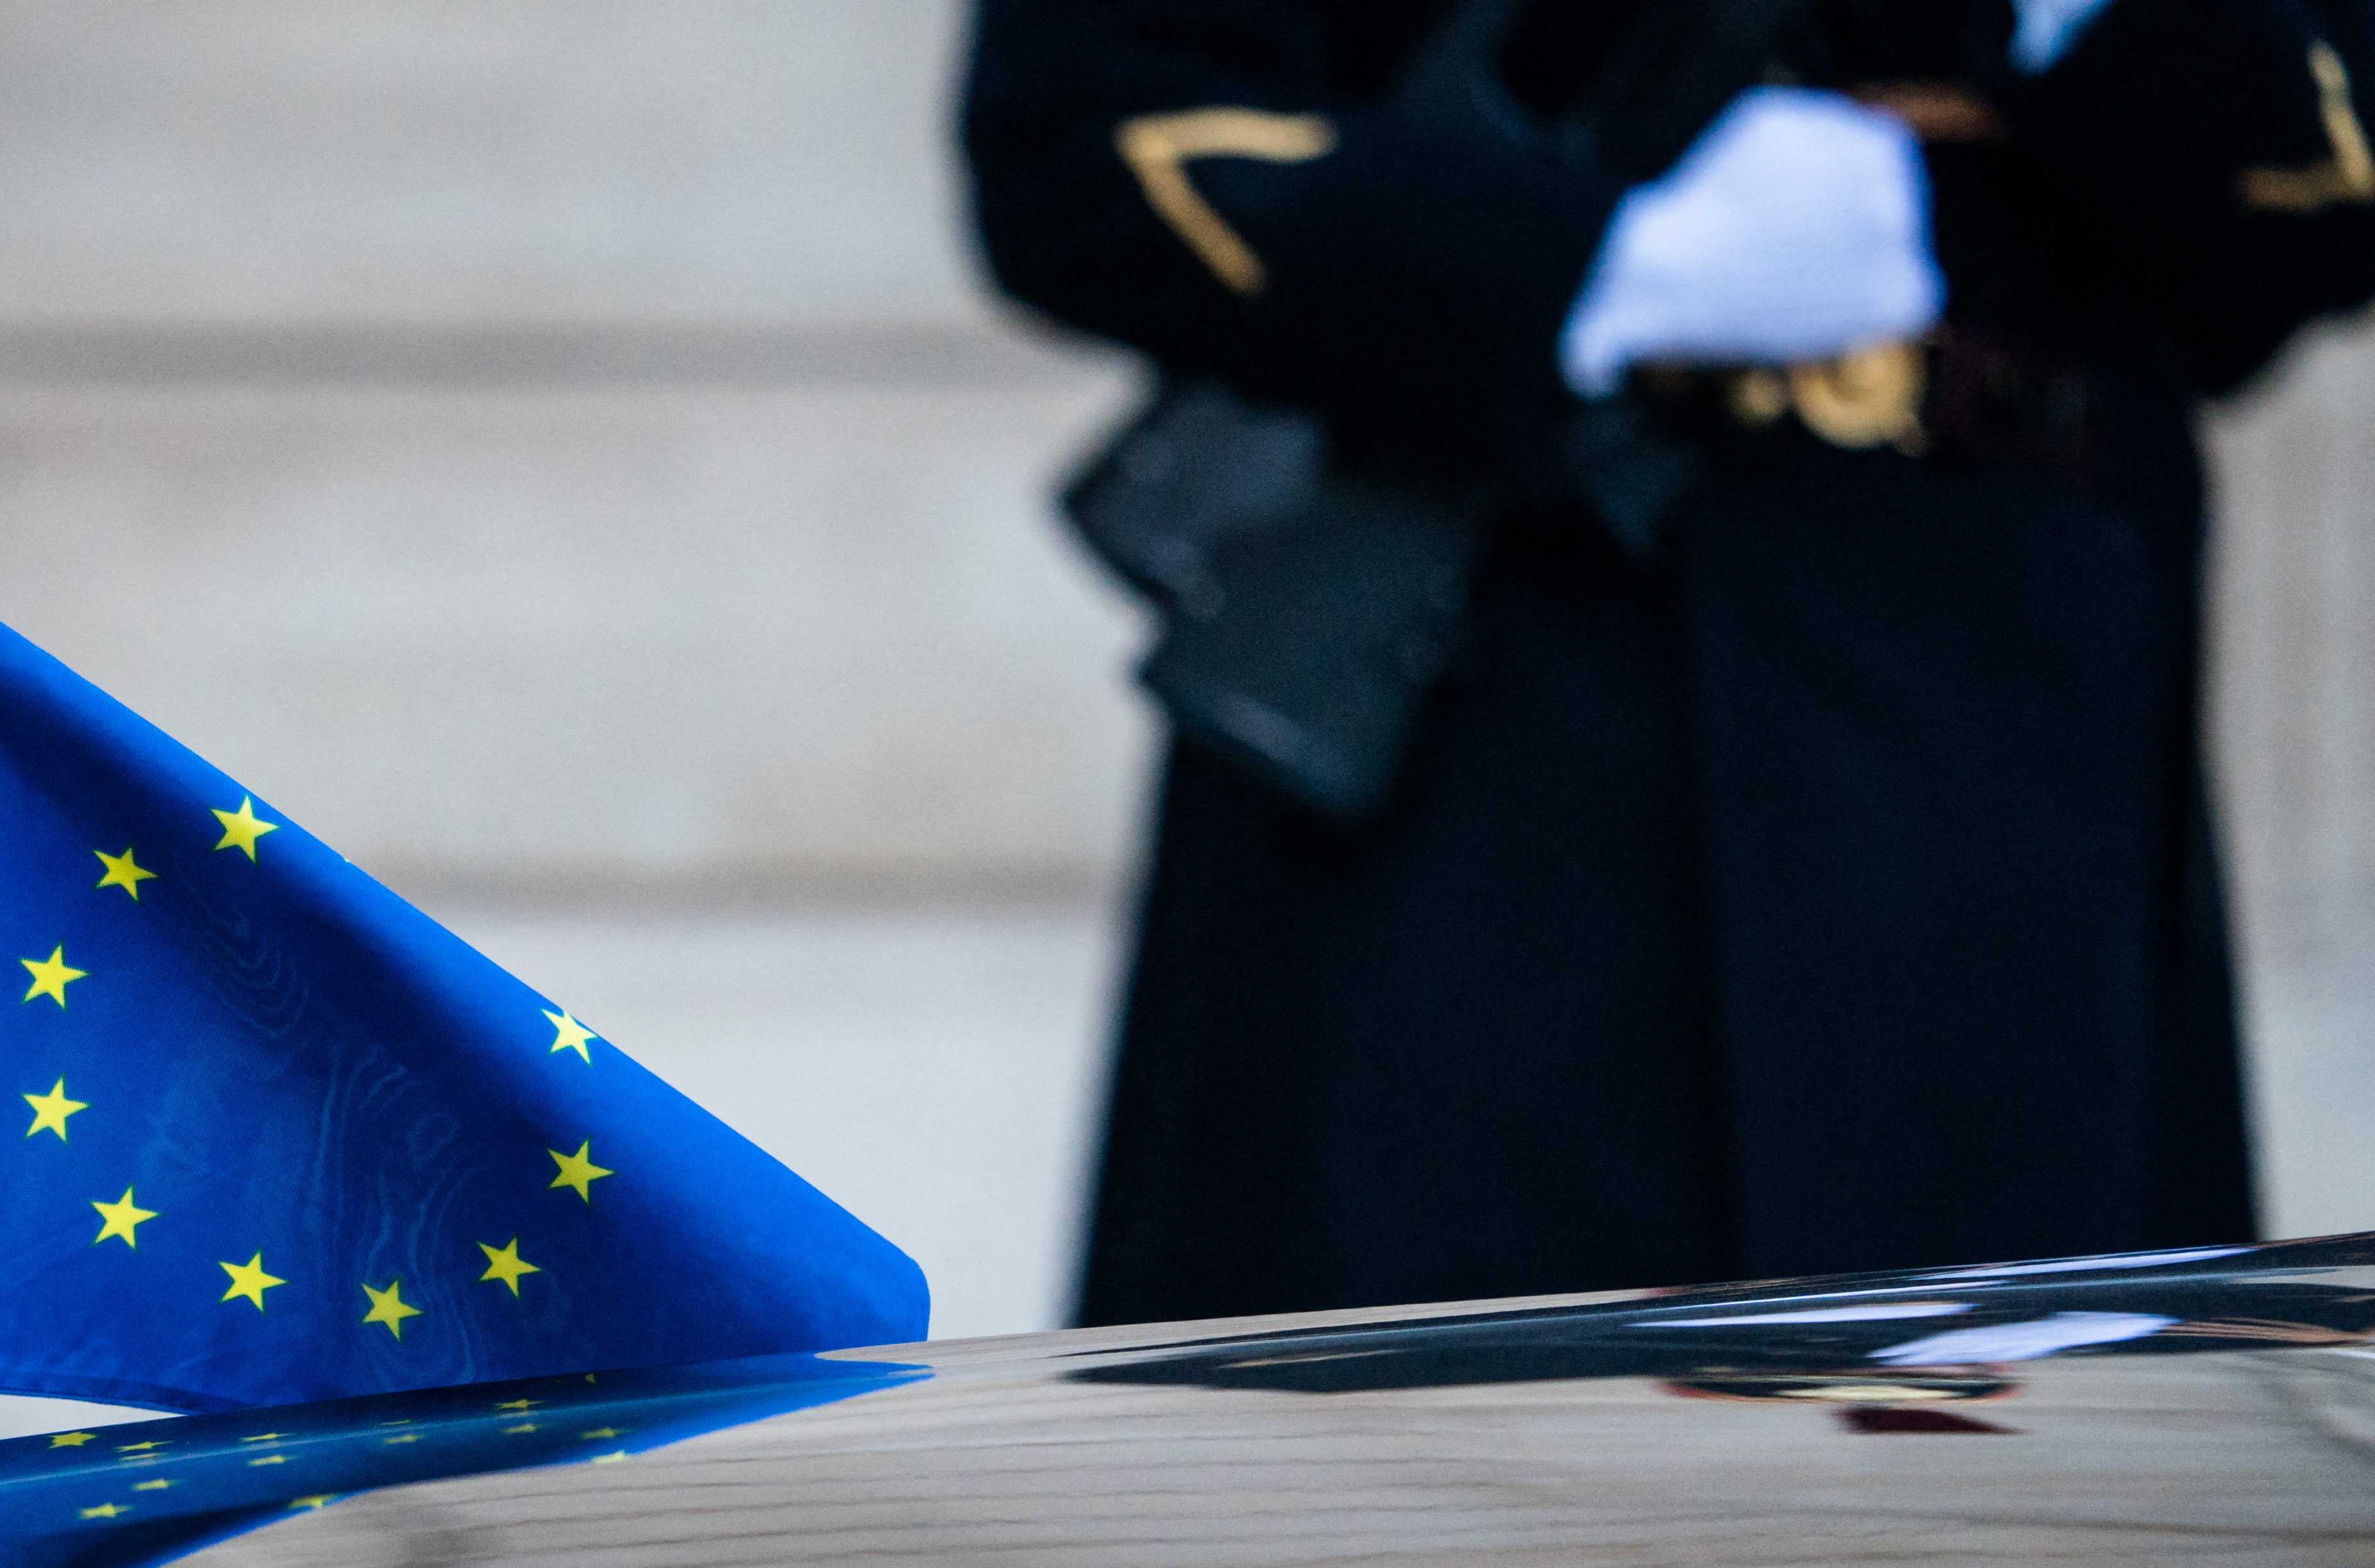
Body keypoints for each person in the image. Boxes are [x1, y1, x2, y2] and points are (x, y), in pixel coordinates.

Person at [964, 0, 2375, 1328]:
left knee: (2034, 1456)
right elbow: (1080, 129)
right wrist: (1611, 268)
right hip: (1477, 732)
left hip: (2009, 755)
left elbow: (2295, 221)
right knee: (1409, 1451)